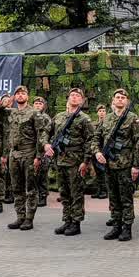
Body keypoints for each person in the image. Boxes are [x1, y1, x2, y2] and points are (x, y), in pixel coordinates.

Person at [92, 88, 139, 241]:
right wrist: (97, 152)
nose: (120, 99)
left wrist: (136, 165)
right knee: (113, 197)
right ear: (113, 101)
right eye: (118, 97)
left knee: (126, 198)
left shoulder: (132, 118)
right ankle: (116, 226)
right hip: (109, 165)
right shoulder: (106, 119)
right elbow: (96, 138)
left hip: (125, 165)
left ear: (127, 101)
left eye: (123, 97)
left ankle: (127, 228)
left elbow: (138, 143)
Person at [44, 87, 95, 236]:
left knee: (76, 193)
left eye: (77, 96)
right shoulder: (59, 117)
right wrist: (46, 144)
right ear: (68, 98)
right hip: (60, 161)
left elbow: (89, 141)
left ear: (82, 100)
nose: (74, 97)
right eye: (72, 95)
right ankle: (67, 220)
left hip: (75, 162)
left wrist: (85, 161)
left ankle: (76, 223)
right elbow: (46, 132)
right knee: (64, 193)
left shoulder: (84, 119)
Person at [4, 85, 50, 230]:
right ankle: (20, 217)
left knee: (30, 188)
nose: (20, 95)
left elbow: (41, 135)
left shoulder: (34, 113)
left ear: (27, 96)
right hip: (14, 154)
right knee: (16, 187)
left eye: (23, 93)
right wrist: (5, 103)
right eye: (17, 93)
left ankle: (29, 219)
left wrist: (38, 156)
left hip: (29, 153)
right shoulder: (11, 112)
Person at [90, 104, 110, 200]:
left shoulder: (108, 123)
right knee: (97, 172)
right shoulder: (94, 124)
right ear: (97, 112)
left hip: (104, 151)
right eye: (100, 111)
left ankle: (104, 191)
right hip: (95, 150)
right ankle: (98, 190)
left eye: (103, 111)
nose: (102, 113)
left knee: (103, 171)